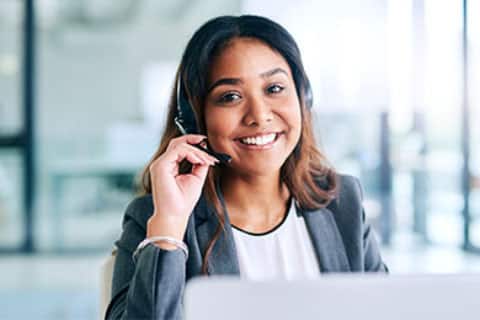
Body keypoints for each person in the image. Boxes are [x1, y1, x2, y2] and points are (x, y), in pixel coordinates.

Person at [105, 14, 388, 320]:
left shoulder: (340, 200)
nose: (259, 115)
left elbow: (384, 310)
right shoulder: (156, 218)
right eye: (230, 96)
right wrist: (170, 224)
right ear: (195, 117)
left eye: (274, 88)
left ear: (303, 98)